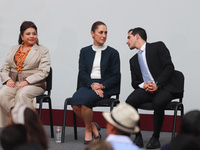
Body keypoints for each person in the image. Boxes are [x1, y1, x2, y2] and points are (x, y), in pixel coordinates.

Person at [125, 27, 180, 149]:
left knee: (158, 102)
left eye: (129, 37)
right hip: (147, 89)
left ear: (137, 36)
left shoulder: (158, 47)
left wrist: (157, 84)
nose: (127, 41)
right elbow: (134, 82)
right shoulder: (133, 60)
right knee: (130, 101)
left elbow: (169, 67)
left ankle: (155, 138)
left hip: (163, 87)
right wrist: (143, 85)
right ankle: (138, 137)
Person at [70, 21, 120, 144]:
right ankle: (92, 126)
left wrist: (102, 85)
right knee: (74, 102)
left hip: (105, 87)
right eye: (100, 32)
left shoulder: (113, 53)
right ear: (92, 33)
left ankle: (88, 131)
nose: (103, 35)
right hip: (88, 85)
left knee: (86, 102)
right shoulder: (84, 51)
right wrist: (92, 85)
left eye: (106, 33)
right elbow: (82, 72)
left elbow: (116, 76)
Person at [0, 21, 50, 127]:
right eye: (28, 34)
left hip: (34, 84)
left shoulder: (43, 50)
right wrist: (7, 79)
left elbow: (44, 71)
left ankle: (26, 127)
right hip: (14, 82)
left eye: (34, 33)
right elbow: (4, 68)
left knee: (22, 94)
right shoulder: (13, 49)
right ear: (22, 36)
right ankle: (16, 120)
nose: (32, 36)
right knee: (2, 94)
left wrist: (27, 81)